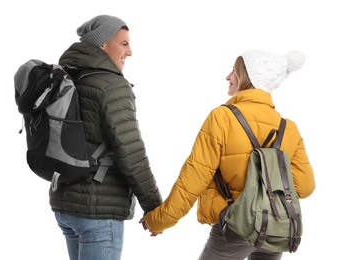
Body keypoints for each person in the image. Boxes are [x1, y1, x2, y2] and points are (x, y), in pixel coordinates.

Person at [140, 50, 315, 259]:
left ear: (248, 77)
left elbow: (193, 179)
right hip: (276, 230)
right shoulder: (288, 128)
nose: (228, 76)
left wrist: (159, 220)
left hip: (236, 225)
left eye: (234, 70)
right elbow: (305, 187)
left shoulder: (222, 117)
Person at [49, 15, 162, 260]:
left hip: (64, 202)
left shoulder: (65, 77)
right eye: (123, 44)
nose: (130, 52)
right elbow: (131, 153)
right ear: (102, 44)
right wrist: (155, 207)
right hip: (97, 210)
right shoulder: (112, 85)